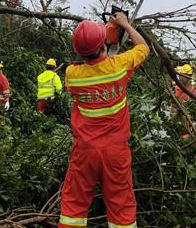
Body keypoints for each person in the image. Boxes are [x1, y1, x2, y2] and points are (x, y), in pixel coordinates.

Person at [59, 13, 149, 228]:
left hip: (85, 151)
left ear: (77, 50)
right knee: (121, 206)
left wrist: (104, 45)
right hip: (115, 153)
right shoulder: (119, 67)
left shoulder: (72, 75)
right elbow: (143, 48)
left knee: (74, 205)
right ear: (103, 45)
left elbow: (93, 65)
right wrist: (124, 24)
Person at [172, 63, 196, 139]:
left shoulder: (193, 92)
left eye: (182, 75)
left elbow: (194, 113)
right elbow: (173, 106)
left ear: (189, 77)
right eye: (179, 75)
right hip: (176, 123)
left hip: (187, 125)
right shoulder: (176, 89)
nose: (180, 77)